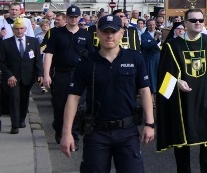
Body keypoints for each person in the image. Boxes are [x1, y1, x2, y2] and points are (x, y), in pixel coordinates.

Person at [60, 14, 155, 172]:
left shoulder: (135, 58)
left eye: (113, 31)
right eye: (105, 31)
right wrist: (67, 132)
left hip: (127, 131)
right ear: (97, 33)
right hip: (96, 132)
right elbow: (73, 97)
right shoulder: (87, 61)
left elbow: (145, 91)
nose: (109, 35)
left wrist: (150, 124)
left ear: (122, 33)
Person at [156, 8, 207, 173]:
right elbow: (163, 77)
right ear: (185, 23)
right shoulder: (172, 45)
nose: (197, 23)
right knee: (182, 141)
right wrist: (176, 82)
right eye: (193, 20)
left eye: (200, 20)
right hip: (183, 101)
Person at [43, 5, 93, 147]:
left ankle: (74, 136)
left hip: (79, 74)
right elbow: (49, 54)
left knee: (78, 107)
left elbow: (91, 56)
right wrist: (46, 74)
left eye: (76, 16)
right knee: (59, 105)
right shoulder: (57, 33)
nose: (73, 19)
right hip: (61, 74)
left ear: (79, 17)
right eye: (71, 17)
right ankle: (60, 131)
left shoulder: (85, 34)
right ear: (66, 18)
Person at [0, 17, 43, 134]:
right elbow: (2, 62)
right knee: (14, 99)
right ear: (13, 30)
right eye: (17, 29)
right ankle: (15, 125)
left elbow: (37, 59)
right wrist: (9, 75)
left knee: (24, 99)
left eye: (21, 29)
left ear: (25, 29)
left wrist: (40, 74)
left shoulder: (33, 42)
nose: (19, 31)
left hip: (27, 76)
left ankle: (21, 119)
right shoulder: (6, 43)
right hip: (13, 77)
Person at [140, 18, 162, 106]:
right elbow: (146, 46)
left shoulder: (161, 33)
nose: (152, 26)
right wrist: (155, 38)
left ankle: (159, 100)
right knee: (151, 79)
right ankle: (151, 100)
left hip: (158, 58)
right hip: (149, 60)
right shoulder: (144, 35)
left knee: (158, 78)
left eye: (153, 24)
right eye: (150, 25)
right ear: (147, 25)